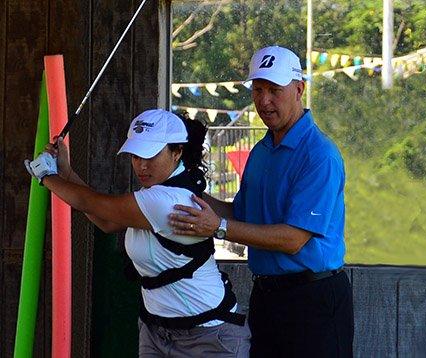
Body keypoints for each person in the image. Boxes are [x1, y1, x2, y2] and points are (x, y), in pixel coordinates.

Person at [168, 46, 354, 357]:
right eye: (257, 89)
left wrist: (219, 227)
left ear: (299, 89)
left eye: (274, 90)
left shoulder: (320, 155)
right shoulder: (261, 150)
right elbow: (241, 213)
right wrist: (183, 191)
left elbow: (293, 238)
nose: (264, 100)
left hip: (314, 299)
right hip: (266, 297)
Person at [25, 109, 251, 357]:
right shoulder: (159, 191)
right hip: (156, 330)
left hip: (208, 337)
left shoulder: (165, 200)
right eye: (135, 156)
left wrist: (46, 176)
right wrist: (65, 173)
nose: (141, 165)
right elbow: (107, 222)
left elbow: (92, 204)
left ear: (177, 153)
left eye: (151, 155)